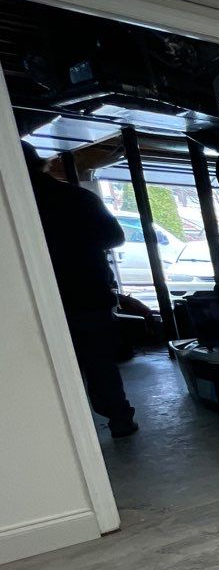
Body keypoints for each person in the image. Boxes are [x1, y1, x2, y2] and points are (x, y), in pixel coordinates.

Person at [22, 142, 138, 436]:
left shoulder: (16, 205)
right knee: (99, 362)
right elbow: (114, 236)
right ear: (42, 164)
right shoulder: (78, 198)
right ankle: (119, 420)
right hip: (88, 294)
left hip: (35, 300)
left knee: (44, 368)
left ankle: (59, 435)